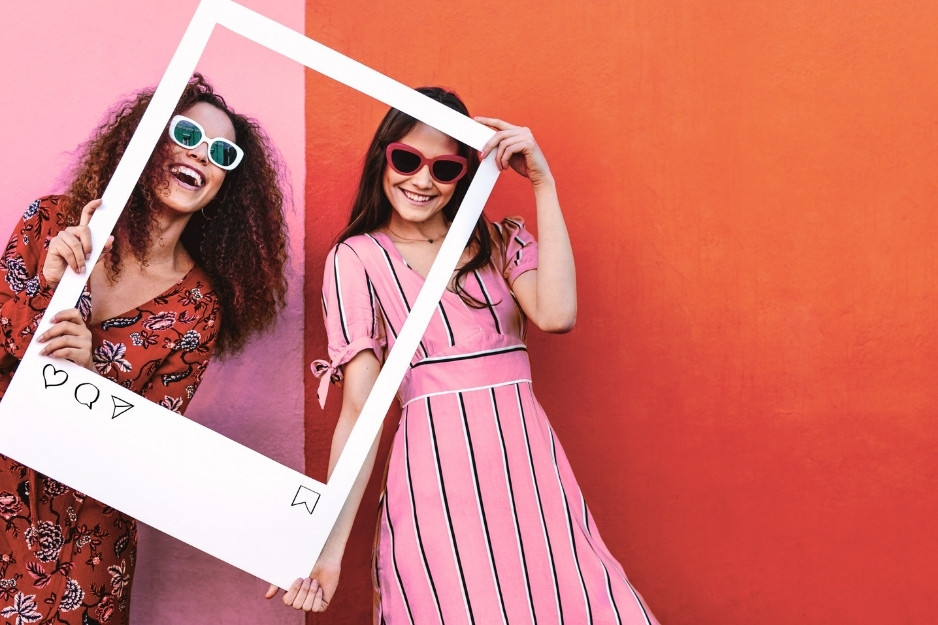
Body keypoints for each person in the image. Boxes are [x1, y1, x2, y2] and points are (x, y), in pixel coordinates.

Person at [268, 87, 659, 624]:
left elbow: (556, 315)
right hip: (434, 487)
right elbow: (359, 410)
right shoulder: (356, 258)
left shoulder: (497, 243)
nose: (422, 180)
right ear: (382, 158)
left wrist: (543, 181)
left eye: (444, 168)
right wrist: (326, 554)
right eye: (406, 160)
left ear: (463, 175)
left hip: (530, 476)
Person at [0, 74, 288, 625]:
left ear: (225, 187)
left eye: (222, 154)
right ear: (149, 139)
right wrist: (50, 283)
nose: (202, 157)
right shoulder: (52, 225)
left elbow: (148, 449)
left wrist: (87, 379)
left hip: (83, 545)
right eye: (186, 135)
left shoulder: (197, 306)